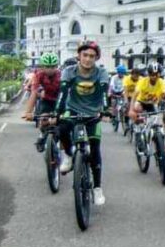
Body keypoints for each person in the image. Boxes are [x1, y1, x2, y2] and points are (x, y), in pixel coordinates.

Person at [56, 41, 110, 204]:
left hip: (93, 113)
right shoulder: (69, 71)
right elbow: (63, 93)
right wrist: (57, 113)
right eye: (85, 55)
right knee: (62, 128)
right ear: (79, 56)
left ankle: (97, 188)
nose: (88, 59)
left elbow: (104, 94)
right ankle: (68, 155)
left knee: (94, 149)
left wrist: (105, 110)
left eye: (92, 56)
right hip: (73, 110)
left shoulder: (101, 73)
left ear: (96, 58)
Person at [21, 53, 62, 152]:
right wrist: (28, 112)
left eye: (53, 67)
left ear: (56, 66)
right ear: (42, 66)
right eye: (47, 67)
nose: (50, 69)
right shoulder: (38, 75)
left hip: (60, 101)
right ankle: (42, 136)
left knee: (62, 122)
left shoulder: (61, 75)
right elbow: (34, 93)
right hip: (46, 100)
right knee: (43, 119)